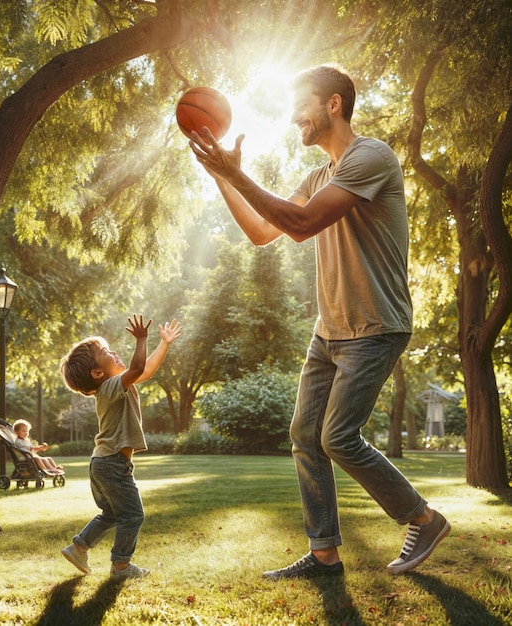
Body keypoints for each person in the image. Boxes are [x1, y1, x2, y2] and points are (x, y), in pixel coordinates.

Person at [188, 64, 450, 579]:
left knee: (337, 437)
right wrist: (224, 178)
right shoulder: (317, 177)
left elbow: (304, 225)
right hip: (329, 330)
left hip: (376, 325)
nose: (292, 118)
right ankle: (325, 554)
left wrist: (237, 172)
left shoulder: (370, 156)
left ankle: (423, 517)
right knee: (305, 435)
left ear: (333, 103)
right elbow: (265, 232)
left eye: (300, 105)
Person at [58, 315, 182, 579]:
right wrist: (141, 339)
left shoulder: (114, 386)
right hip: (113, 463)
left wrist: (164, 344)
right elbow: (138, 368)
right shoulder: (111, 386)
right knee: (133, 515)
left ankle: (78, 547)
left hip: (102, 463)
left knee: (112, 513)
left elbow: (145, 371)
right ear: (97, 373)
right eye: (106, 352)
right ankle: (121, 567)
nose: (113, 352)